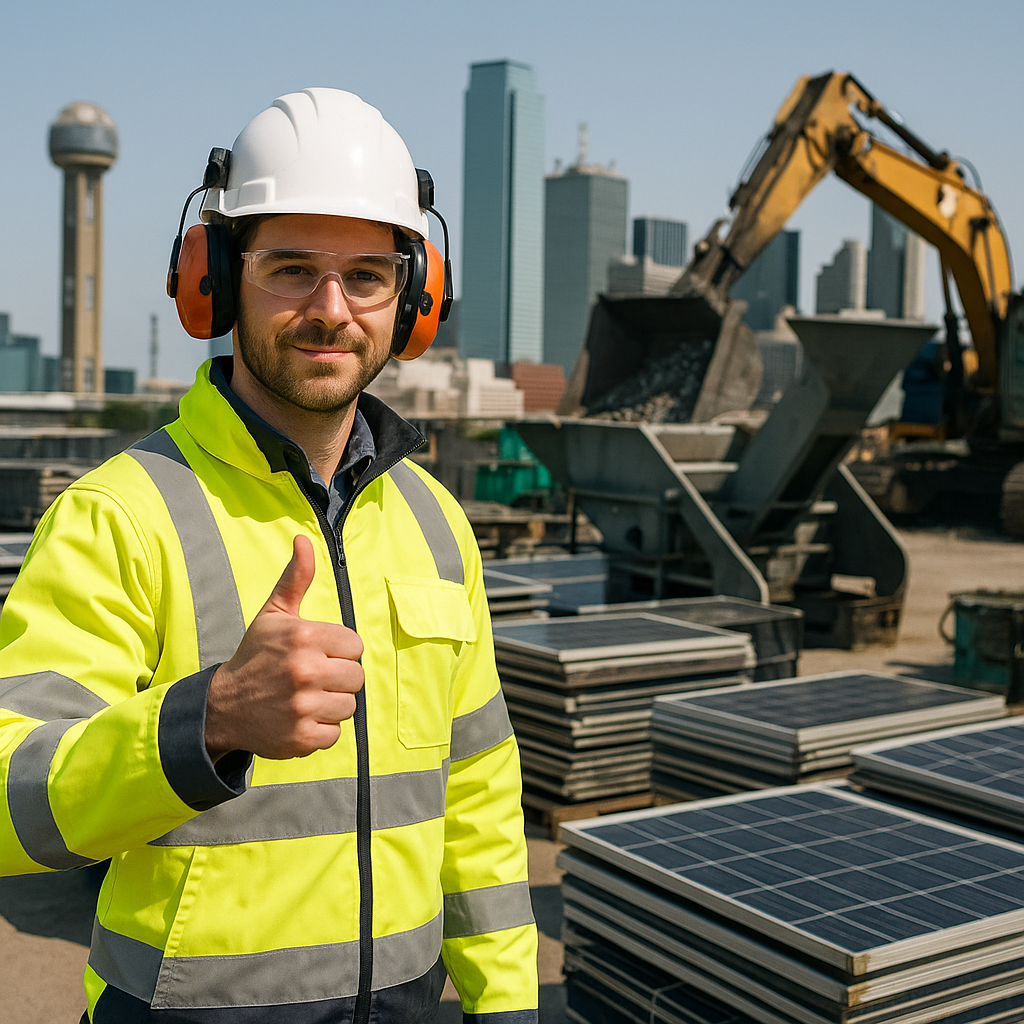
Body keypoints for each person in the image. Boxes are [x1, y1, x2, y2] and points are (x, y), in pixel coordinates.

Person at [0, 88, 538, 1023]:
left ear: (412, 299)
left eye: (367, 275)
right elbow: (7, 801)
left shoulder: (437, 523)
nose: (331, 310)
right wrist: (203, 723)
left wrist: (509, 1005)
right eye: (291, 268)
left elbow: (480, 797)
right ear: (214, 280)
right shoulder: (120, 516)